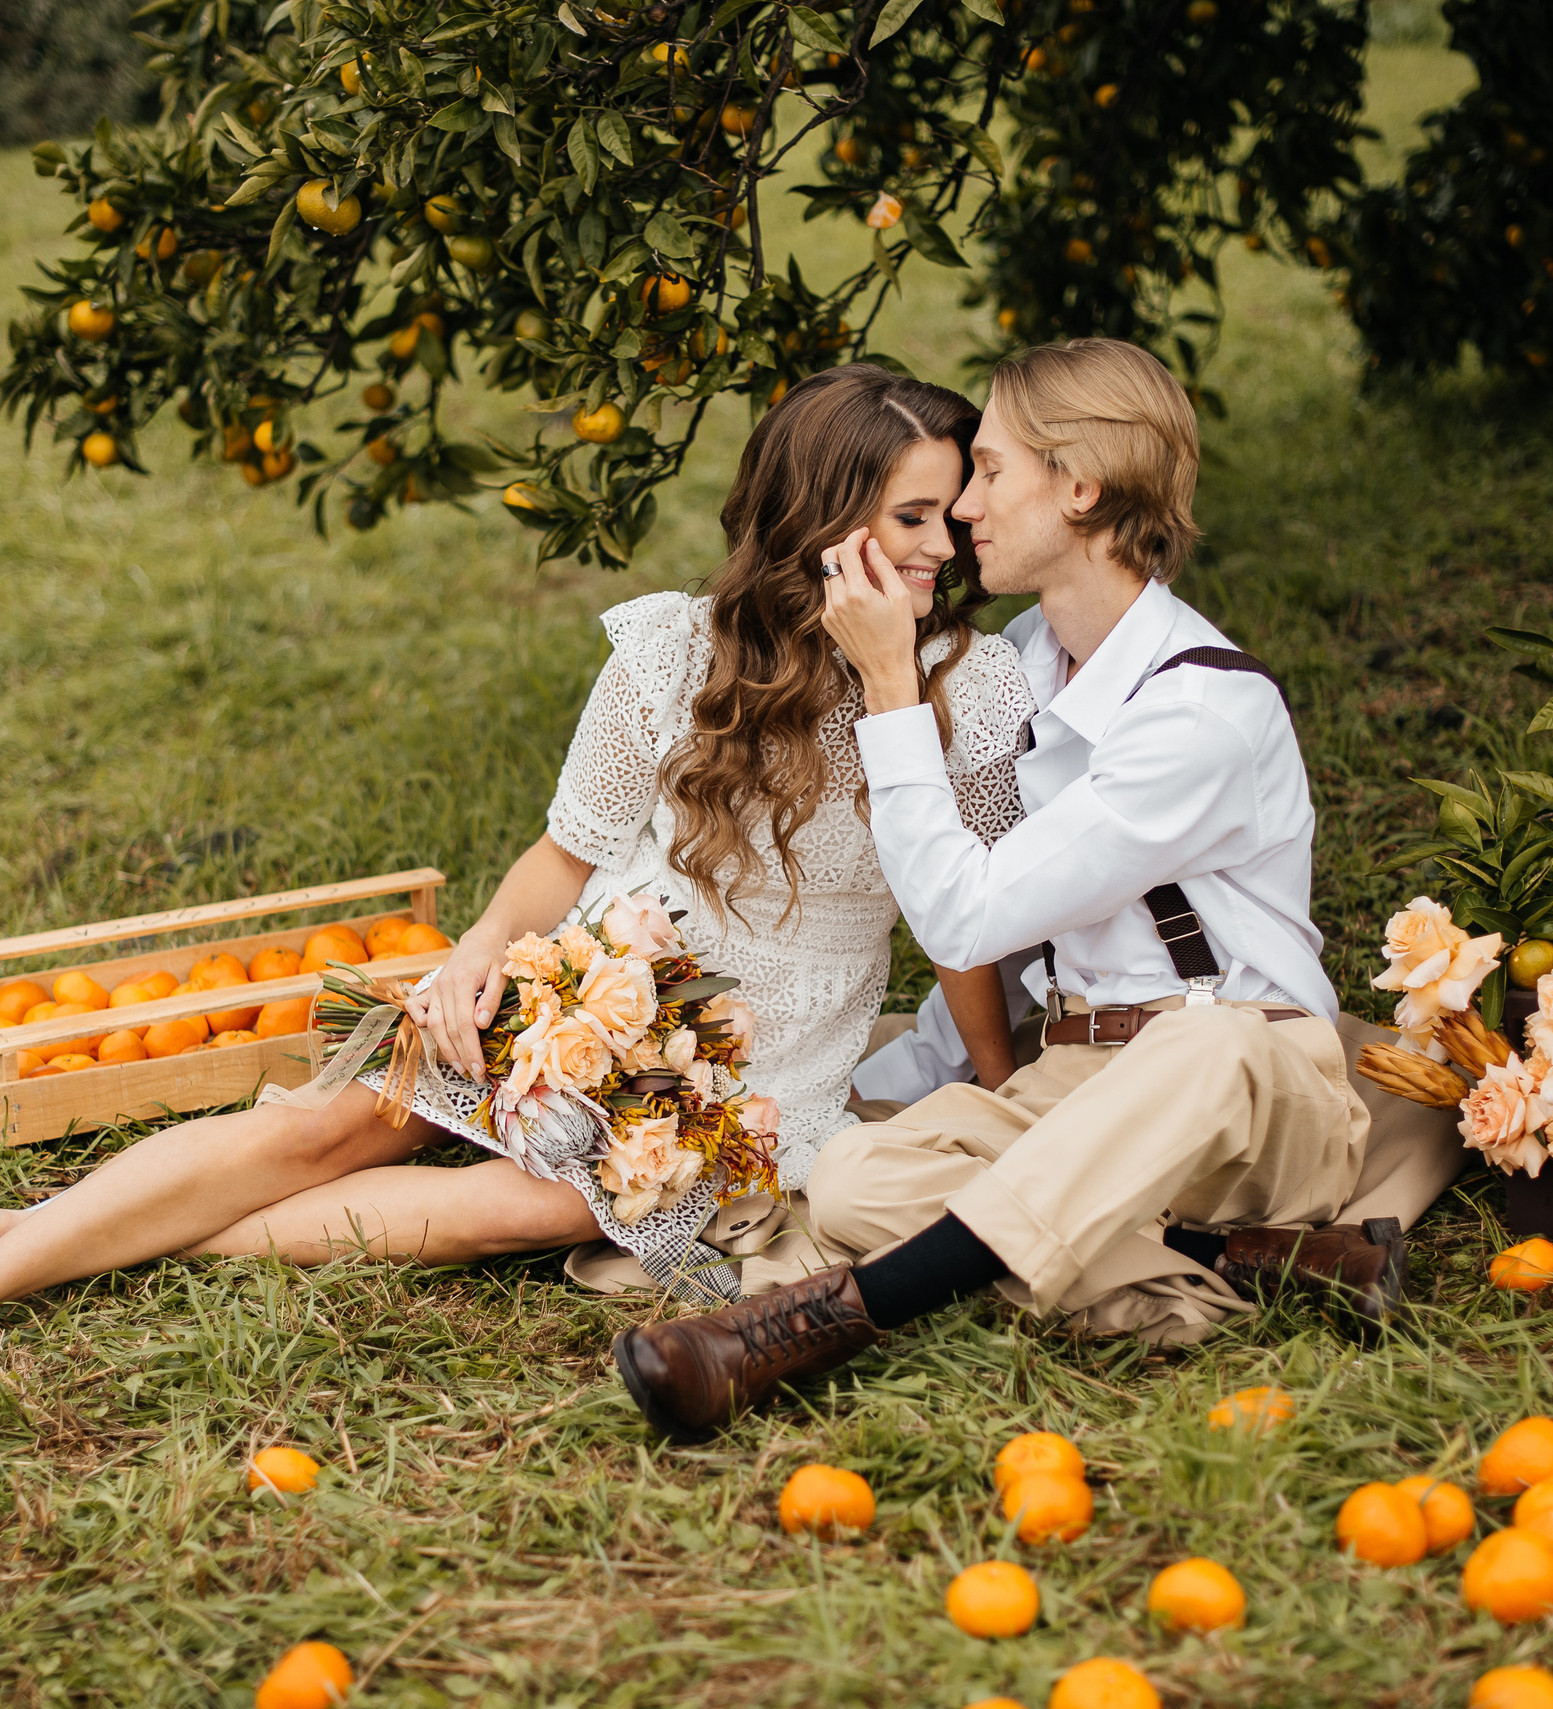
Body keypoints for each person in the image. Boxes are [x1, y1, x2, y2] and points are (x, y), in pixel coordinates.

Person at [0, 365, 1037, 1416]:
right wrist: (477, 949)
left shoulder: (970, 687)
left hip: (764, 1064)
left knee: (525, 1203)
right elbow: (562, 857)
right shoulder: (669, 651)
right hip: (610, 973)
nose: (943, 543)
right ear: (818, 513)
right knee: (330, 1128)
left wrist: (990, 1065)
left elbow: (957, 909)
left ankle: (68, 1229)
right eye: (909, 516)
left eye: (947, 511)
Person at [611, 339, 1465, 1441]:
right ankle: (1248, 1258)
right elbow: (982, 930)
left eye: (991, 470)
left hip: (1253, 1086)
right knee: (858, 1177)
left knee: (1200, 1042)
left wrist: (889, 685)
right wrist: (914, 1068)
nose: (963, 504)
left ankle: (822, 1320)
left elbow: (964, 911)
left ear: (1080, 489)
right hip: (1076, 1075)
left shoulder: (1198, 712)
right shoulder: (1021, 659)